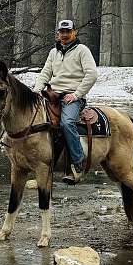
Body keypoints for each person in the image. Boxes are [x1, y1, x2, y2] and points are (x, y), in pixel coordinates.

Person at [33, 19, 98, 182]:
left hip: (72, 97)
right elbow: (45, 73)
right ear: (58, 34)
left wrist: (77, 94)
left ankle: (78, 163)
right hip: (53, 95)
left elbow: (92, 74)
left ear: (74, 32)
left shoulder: (82, 50)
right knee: (36, 121)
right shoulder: (53, 52)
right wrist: (37, 90)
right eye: (62, 32)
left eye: (68, 32)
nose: (65, 35)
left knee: (67, 123)